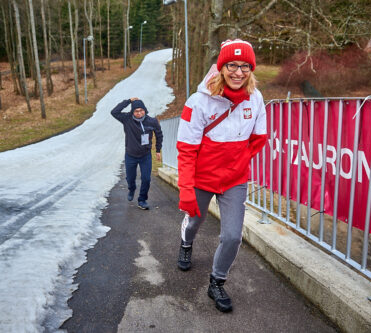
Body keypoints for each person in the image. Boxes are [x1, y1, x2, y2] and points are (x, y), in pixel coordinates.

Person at [176, 39, 267, 312]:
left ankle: (217, 281)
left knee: (232, 236)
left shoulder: (256, 98)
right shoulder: (198, 101)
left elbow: (259, 138)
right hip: (202, 178)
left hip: (234, 180)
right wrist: (186, 188)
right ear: (221, 67)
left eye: (244, 66)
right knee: (194, 223)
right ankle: (185, 243)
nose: (238, 72)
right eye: (231, 65)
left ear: (251, 69)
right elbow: (186, 149)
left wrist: (235, 162)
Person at [111, 97, 163, 210]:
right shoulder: (127, 119)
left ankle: (142, 200)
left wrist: (158, 150)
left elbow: (159, 135)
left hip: (146, 155)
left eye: (141, 110)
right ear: (132, 112)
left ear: (145, 110)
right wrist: (128, 101)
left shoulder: (152, 121)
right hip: (131, 155)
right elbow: (114, 112)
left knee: (146, 179)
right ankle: (131, 188)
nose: (139, 113)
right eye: (136, 111)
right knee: (130, 178)